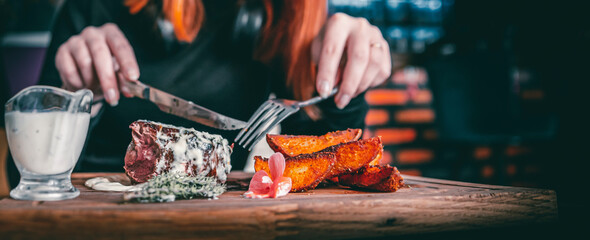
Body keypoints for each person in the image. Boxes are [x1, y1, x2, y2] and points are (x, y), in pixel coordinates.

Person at [13, 0, 391, 179]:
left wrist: (344, 88)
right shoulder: (91, 10)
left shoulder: (281, 15)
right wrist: (77, 101)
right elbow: (22, 183)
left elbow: (313, 173)